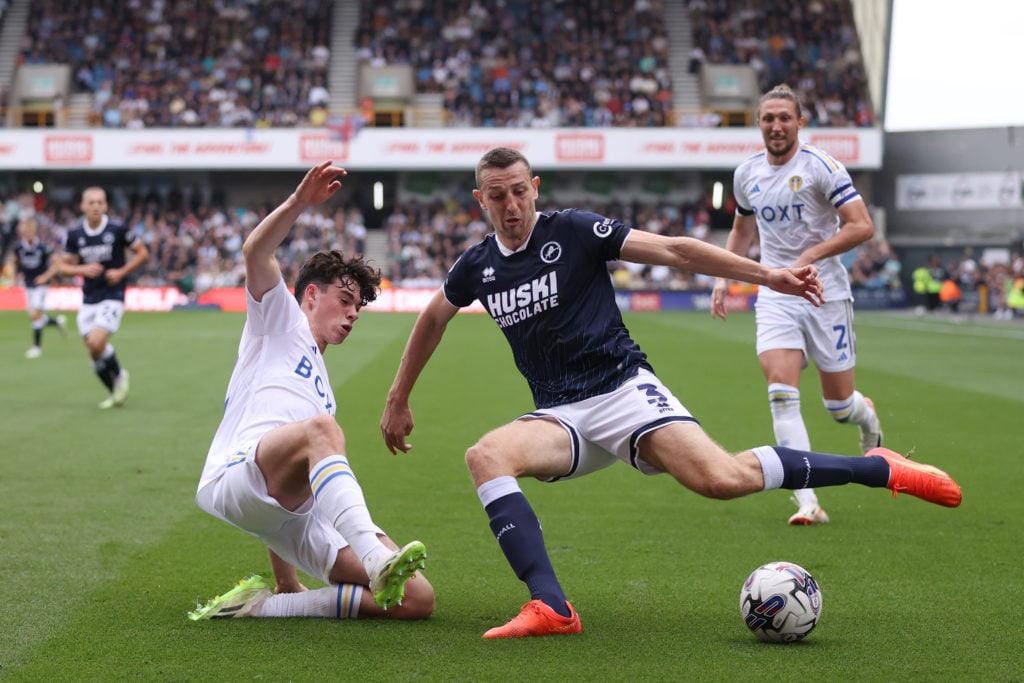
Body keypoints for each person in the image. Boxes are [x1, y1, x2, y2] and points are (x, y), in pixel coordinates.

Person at [380, 146, 961, 640]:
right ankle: (553, 606)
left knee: (722, 480)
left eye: (517, 192)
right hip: (561, 416)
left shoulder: (574, 230)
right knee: (485, 456)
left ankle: (877, 468)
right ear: (479, 201)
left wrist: (767, 274)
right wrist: (397, 397)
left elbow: (678, 251)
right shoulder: (478, 265)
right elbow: (435, 315)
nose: (510, 206)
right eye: (496, 196)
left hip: (624, 391)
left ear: (535, 188)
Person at [190, 161, 433, 622]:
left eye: (358, 308)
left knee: (417, 599)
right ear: (310, 296)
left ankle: (273, 606)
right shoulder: (279, 320)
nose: (353, 313)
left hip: (285, 510)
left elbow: (292, 491)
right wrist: (299, 202)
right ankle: (376, 558)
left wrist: (285, 577)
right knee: (322, 430)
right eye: (345, 300)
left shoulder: (322, 391)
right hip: (235, 476)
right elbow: (255, 251)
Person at [710, 84, 884, 526]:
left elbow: (861, 226)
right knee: (781, 395)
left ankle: (867, 418)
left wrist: (809, 257)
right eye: (768, 118)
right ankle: (808, 500)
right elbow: (741, 233)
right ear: (758, 124)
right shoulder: (746, 174)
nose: (776, 125)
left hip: (825, 294)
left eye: (785, 117)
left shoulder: (822, 167)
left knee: (839, 407)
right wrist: (722, 278)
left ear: (799, 122)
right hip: (775, 294)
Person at [59, 187, 150, 408]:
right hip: (89, 298)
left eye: (100, 202)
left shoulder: (117, 229)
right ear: (83, 206)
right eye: (91, 203)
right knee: (93, 350)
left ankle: (120, 377)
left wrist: (120, 272)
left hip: (113, 295)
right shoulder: (74, 235)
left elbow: (143, 253)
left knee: (97, 342)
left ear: (105, 205)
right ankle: (112, 391)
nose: (96, 206)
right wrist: (82, 269)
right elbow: (63, 267)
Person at [13, 216, 67, 358]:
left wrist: (45, 277)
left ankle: (36, 348)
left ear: (35, 231)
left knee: (35, 315)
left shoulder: (43, 247)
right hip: (28, 285)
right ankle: (57, 321)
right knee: (34, 316)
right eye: (26, 231)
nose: (28, 233)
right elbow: (14, 262)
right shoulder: (18, 247)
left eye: (31, 231)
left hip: (41, 286)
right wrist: (15, 277)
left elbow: (57, 264)